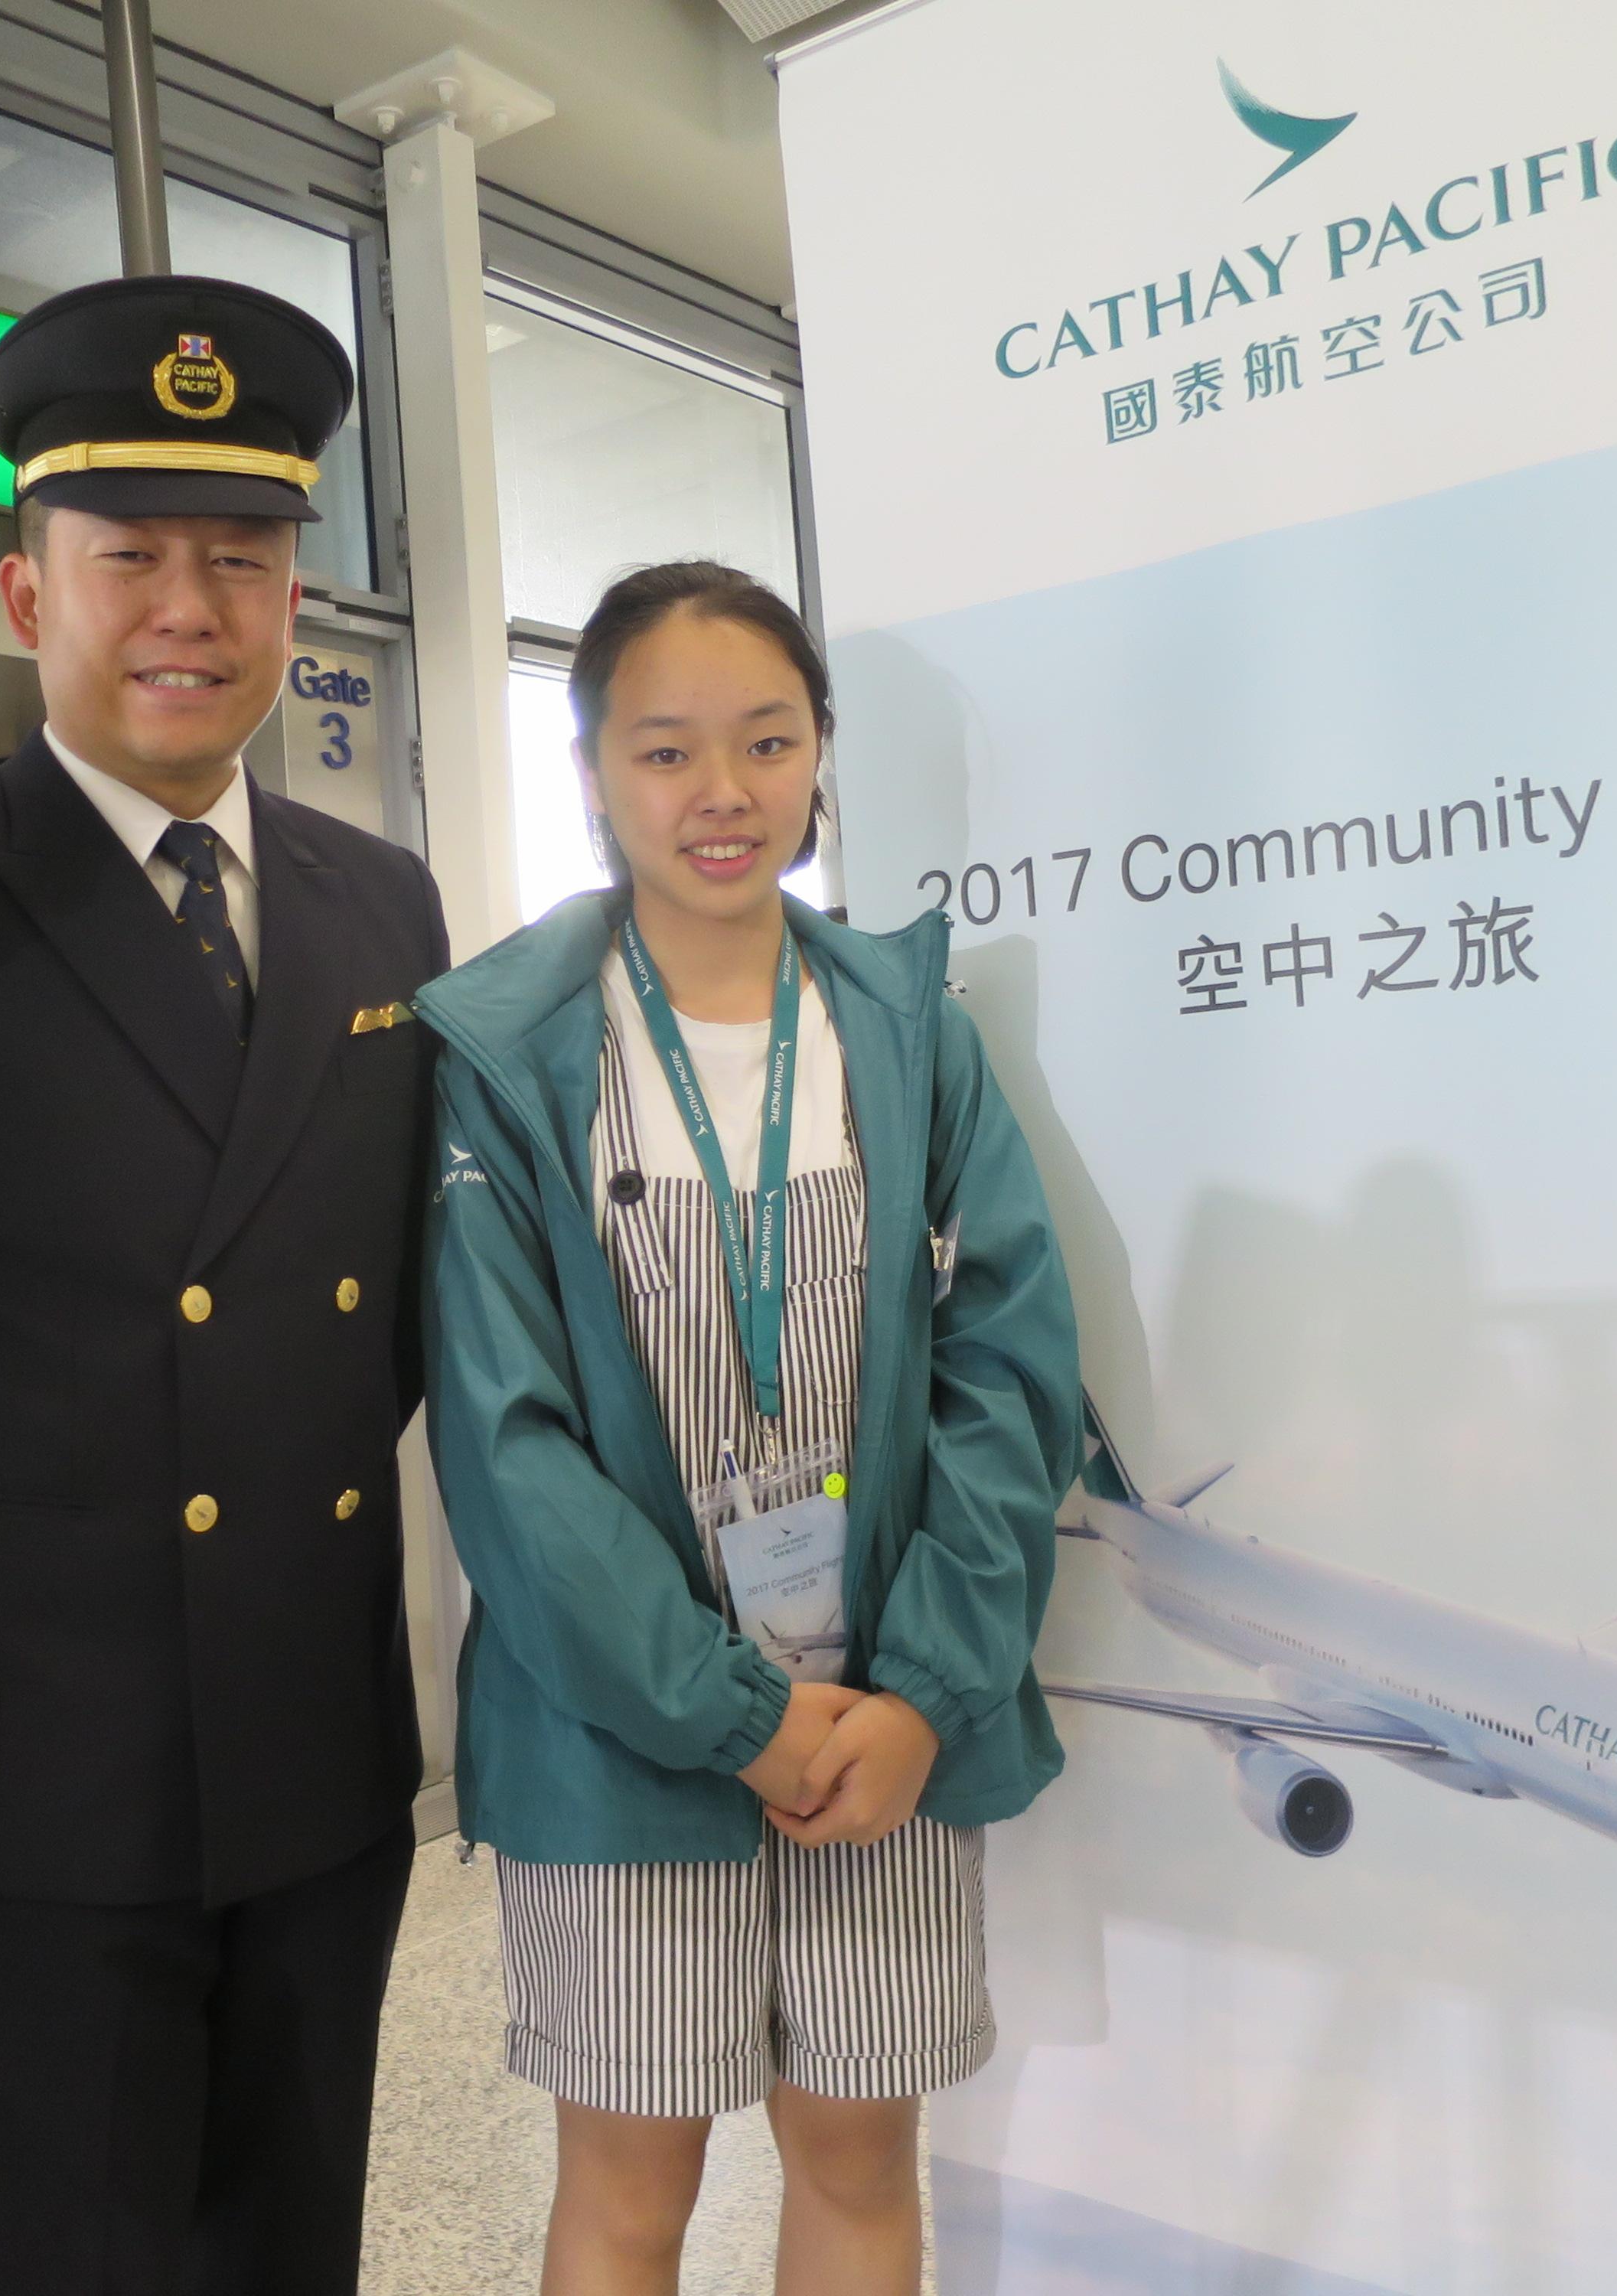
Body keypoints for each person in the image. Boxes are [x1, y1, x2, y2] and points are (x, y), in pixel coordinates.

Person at [0, 275, 449, 2295]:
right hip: (33, 1763)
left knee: (291, 2256)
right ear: (23, 591)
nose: (188, 610)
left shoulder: (379, 901)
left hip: (317, 1740)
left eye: (242, 558)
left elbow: (392, 1301)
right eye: (129, 555)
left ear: (295, 596)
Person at [416, 562, 1080, 2295]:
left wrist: (923, 1693)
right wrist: (729, 1714)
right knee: (629, 2186)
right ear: (591, 774)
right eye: (665, 751)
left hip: (882, 1731)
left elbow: (1008, 1374)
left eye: (767, 742)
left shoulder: (909, 1035)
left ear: (817, 757)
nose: (722, 792)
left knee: (858, 2159)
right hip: (617, 1728)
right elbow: (505, 1443)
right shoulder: (505, 1053)